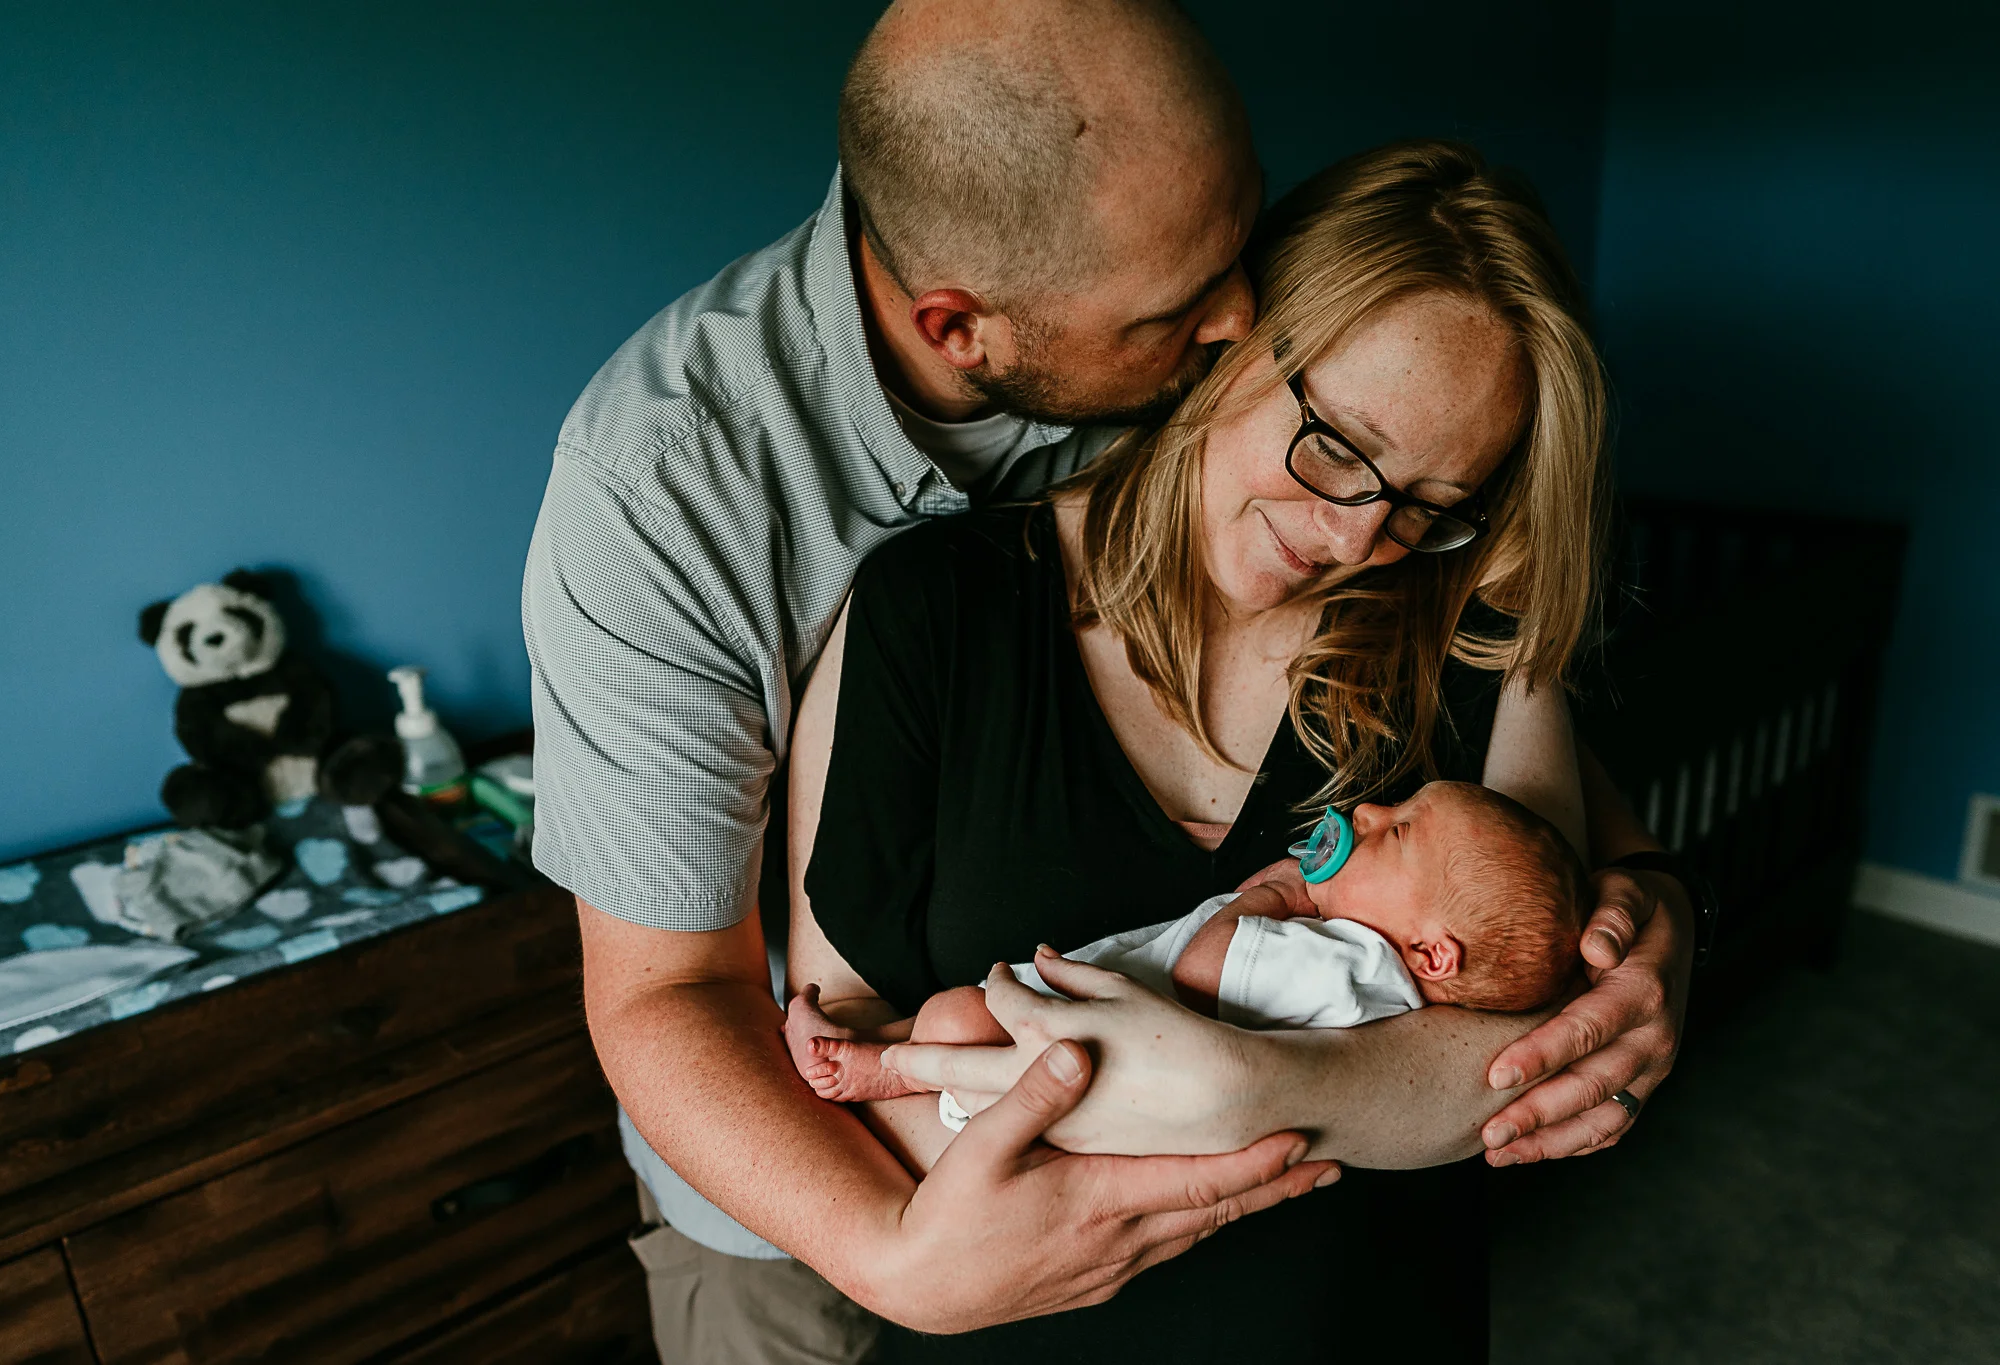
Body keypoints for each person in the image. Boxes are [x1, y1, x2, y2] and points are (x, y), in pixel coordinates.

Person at [523, 1, 1691, 1357]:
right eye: (1188, 314)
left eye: (1434, 502)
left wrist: (1657, 893)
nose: (1229, 313)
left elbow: (1529, 981)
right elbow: (689, 1002)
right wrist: (897, 1252)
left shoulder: (1428, 579)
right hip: (796, 1211)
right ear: (962, 327)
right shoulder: (700, 499)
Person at [782, 139, 1682, 1360]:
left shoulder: (1469, 634)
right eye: (1339, 447)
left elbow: (1521, 1047)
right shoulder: (932, 612)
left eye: (1428, 503)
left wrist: (1249, 1091)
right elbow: (843, 1035)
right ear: (1231, 340)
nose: (1359, 533)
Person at [786, 781, 1589, 1114]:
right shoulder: (1355, 959)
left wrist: (1283, 894)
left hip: (1087, 1055)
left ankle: (875, 1070)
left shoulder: (1351, 965)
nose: (1370, 809)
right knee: (950, 1014)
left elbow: (1207, 967)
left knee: (958, 1021)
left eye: (1397, 830)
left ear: (1434, 955)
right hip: (1091, 1021)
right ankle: (862, 1044)